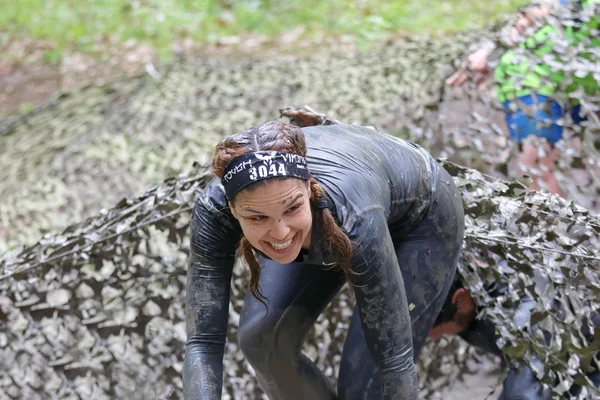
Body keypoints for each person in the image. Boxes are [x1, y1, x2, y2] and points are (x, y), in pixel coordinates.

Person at [183, 121, 465, 399]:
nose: (280, 232)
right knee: (262, 340)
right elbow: (202, 343)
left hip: (420, 218)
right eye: (258, 217)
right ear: (232, 209)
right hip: (329, 219)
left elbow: (395, 363)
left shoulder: (353, 217)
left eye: (292, 207)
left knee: (364, 390)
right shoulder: (213, 212)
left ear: (308, 188)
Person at [446, 0, 599, 196]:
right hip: (533, 77)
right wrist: (490, 51)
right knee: (538, 164)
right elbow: (538, 11)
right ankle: (546, 223)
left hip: (586, 84)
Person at [427, 278, 600, 399]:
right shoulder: (471, 308)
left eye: (426, 331)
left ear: (461, 300)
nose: (431, 338)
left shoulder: (522, 320)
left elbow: (522, 393)